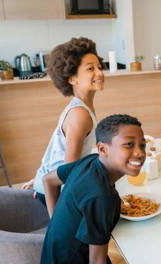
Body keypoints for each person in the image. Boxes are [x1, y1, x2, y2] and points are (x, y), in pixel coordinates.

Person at [39, 114, 146, 264]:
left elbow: (48, 180)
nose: (139, 153)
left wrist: (56, 223)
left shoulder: (90, 161)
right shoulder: (102, 197)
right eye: (129, 145)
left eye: (142, 145)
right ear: (103, 149)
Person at [24, 37, 104, 207]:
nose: (99, 72)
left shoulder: (82, 107)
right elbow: (69, 170)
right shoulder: (79, 114)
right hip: (54, 192)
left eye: (99, 67)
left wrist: (39, 177)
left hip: (50, 182)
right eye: (90, 69)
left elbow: (56, 150)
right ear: (72, 79)